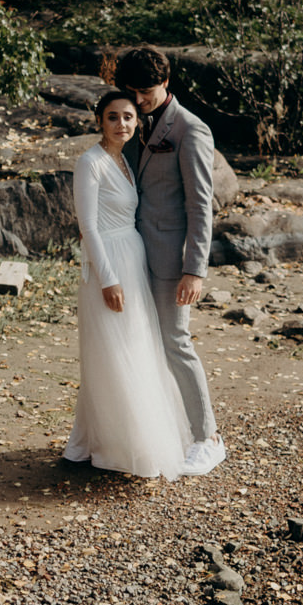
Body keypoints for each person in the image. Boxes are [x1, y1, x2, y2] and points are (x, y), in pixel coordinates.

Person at [61, 90, 198, 478]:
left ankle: (104, 438)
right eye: (112, 117)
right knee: (113, 351)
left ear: (138, 122)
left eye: (128, 117)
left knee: (135, 344)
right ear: (99, 121)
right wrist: (108, 279)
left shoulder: (124, 161)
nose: (121, 123)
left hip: (133, 258)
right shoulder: (90, 163)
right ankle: (115, 445)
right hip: (110, 264)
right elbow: (88, 226)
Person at [112, 46, 225, 473]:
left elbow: (201, 206)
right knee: (141, 343)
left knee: (176, 344)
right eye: (132, 91)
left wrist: (195, 269)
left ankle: (209, 437)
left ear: (166, 81)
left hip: (171, 259)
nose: (138, 100)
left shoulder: (192, 130)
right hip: (134, 253)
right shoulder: (134, 122)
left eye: (146, 91)